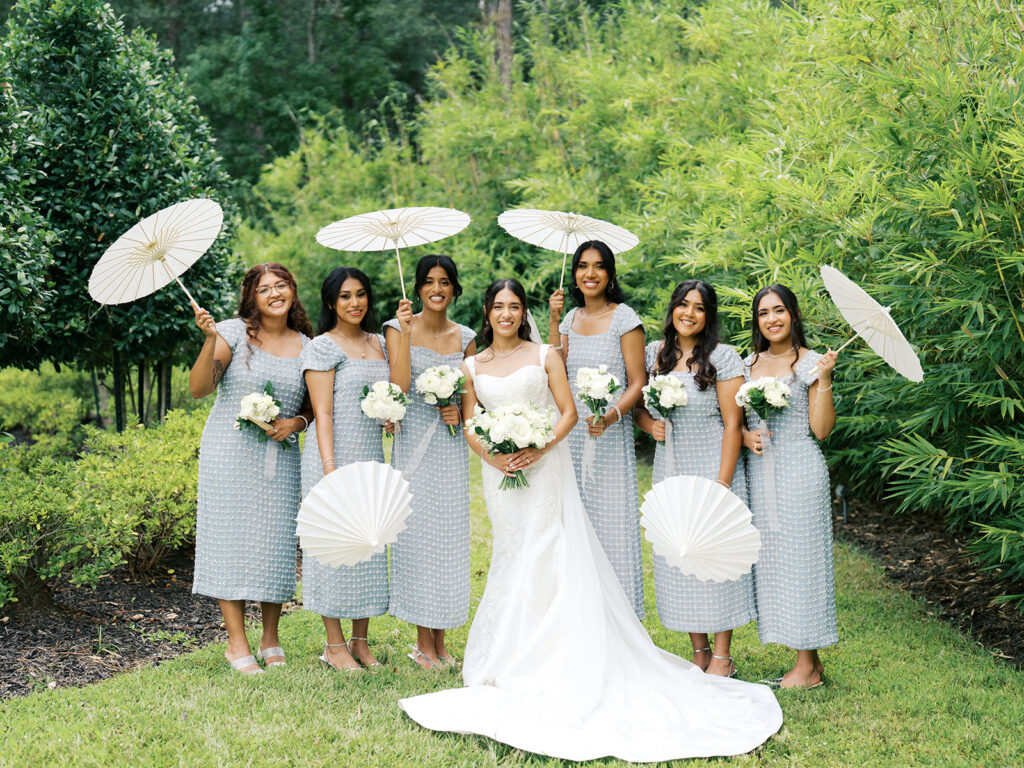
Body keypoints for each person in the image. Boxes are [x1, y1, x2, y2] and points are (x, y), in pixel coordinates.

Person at [399, 279, 782, 762]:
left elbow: (566, 412)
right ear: (487, 312)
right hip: (500, 475)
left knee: (547, 549)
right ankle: (510, 653)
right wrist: (491, 454)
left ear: (523, 313)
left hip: (545, 468)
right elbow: (473, 419)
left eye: (515, 306)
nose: (506, 314)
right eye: (498, 307)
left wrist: (539, 446)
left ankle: (555, 655)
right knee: (512, 553)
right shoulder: (471, 366)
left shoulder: (546, 356)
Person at [190, 262, 313, 674]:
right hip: (229, 455)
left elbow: (313, 404)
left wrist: (296, 422)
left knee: (275, 542)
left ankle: (270, 638)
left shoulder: (307, 344)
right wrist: (210, 340)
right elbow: (199, 388)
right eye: (265, 289)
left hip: (281, 457)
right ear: (252, 297)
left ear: (292, 291)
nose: (275, 293)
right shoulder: (231, 333)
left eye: (282, 285)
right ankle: (236, 643)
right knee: (232, 542)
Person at [635, 279, 753, 677]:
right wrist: (650, 424)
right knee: (680, 556)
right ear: (672, 309)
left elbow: (733, 423)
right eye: (683, 305)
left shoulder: (724, 357)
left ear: (708, 316)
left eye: (699, 308)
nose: (689, 313)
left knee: (716, 558)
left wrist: (723, 485)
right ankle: (698, 651)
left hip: (712, 468)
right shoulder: (654, 354)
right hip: (671, 470)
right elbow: (637, 403)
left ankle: (722, 655)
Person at [742, 284, 839, 689]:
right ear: (757, 321)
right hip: (760, 474)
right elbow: (736, 420)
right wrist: (748, 438)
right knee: (776, 565)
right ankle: (808, 662)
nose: (772, 320)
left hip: (800, 470)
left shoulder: (812, 363)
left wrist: (825, 379)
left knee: (804, 564)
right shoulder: (747, 363)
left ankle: (806, 665)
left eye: (779, 311)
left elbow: (821, 429)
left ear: (793, 314)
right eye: (763, 313)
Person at [384, 255, 477, 668]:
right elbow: (398, 387)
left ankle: (441, 640)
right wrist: (405, 334)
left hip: (450, 448)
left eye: (444, 282)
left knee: (448, 541)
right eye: (428, 282)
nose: (436, 288)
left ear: (454, 289)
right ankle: (424, 643)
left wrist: (458, 408)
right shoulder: (395, 327)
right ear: (418, 288)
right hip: (413, 450)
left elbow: (473, 397)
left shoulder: (467, 337)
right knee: (420, 540)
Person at [548, 241, 646, 615]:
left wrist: (610, 416)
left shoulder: (625, 317)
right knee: (574, 523)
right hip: (573, 437)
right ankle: (579, 615)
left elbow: (637, 381)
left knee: (610, 524)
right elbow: (557, 369)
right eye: (582, 266)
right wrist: (555, 322)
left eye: (598, 266)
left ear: (610, 274)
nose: (590, 274)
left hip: (608, 435)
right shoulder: (570, 318)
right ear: (574, 274)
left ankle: (619, 616)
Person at [300, 267, 390, 671]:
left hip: (371, 456)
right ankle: (334, 645)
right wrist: (330, 468)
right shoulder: (323, 346)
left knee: (368, 545)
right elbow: (322, 413)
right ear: (332, 303)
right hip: (332, 459)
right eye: (345, 296)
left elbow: (386, 395)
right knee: (333, 548)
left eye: (361, 294)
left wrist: (391, 416)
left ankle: (360, 641)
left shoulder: (379, 343)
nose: (355, 303)